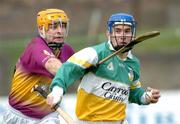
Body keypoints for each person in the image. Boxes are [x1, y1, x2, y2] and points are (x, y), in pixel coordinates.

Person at [47, 13, 161, 124]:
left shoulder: (133, 63)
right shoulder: (94, 53)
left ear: (133, 34)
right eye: (118, 31)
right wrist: (57, 90)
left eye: (127, 31)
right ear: (108, 34)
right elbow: (68, 69)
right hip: (90, 121)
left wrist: (146, 97)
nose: (122, 35)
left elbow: (132, 91)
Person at [3, 8, 75, 124]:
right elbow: (53, 65)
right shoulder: (35, 47)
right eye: (54, 26)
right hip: (18, 115)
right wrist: (64, 82)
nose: (60, 31)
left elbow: (83, 73)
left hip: (48, 116)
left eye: (63, 26)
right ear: (42, 29)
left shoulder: (67, 50)